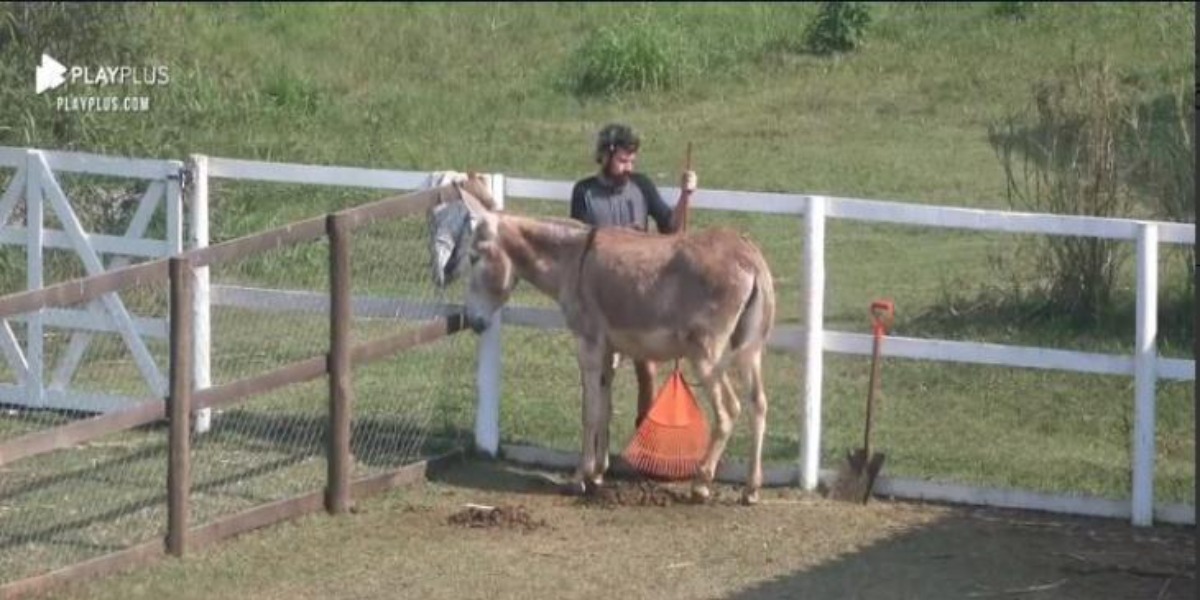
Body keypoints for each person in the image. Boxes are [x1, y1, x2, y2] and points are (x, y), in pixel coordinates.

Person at [570, 123, 697, 429]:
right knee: (599, 375)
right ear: (606, 154)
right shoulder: (584, 193)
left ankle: (645, 432)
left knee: (648, 369)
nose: (629, 167)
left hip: (639, 298)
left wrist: (685, 194)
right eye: (623, 160)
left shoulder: (641, 186)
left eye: (632, 161)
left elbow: (673, 227)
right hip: (600, 300)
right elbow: (577, 247)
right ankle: (597, 440)